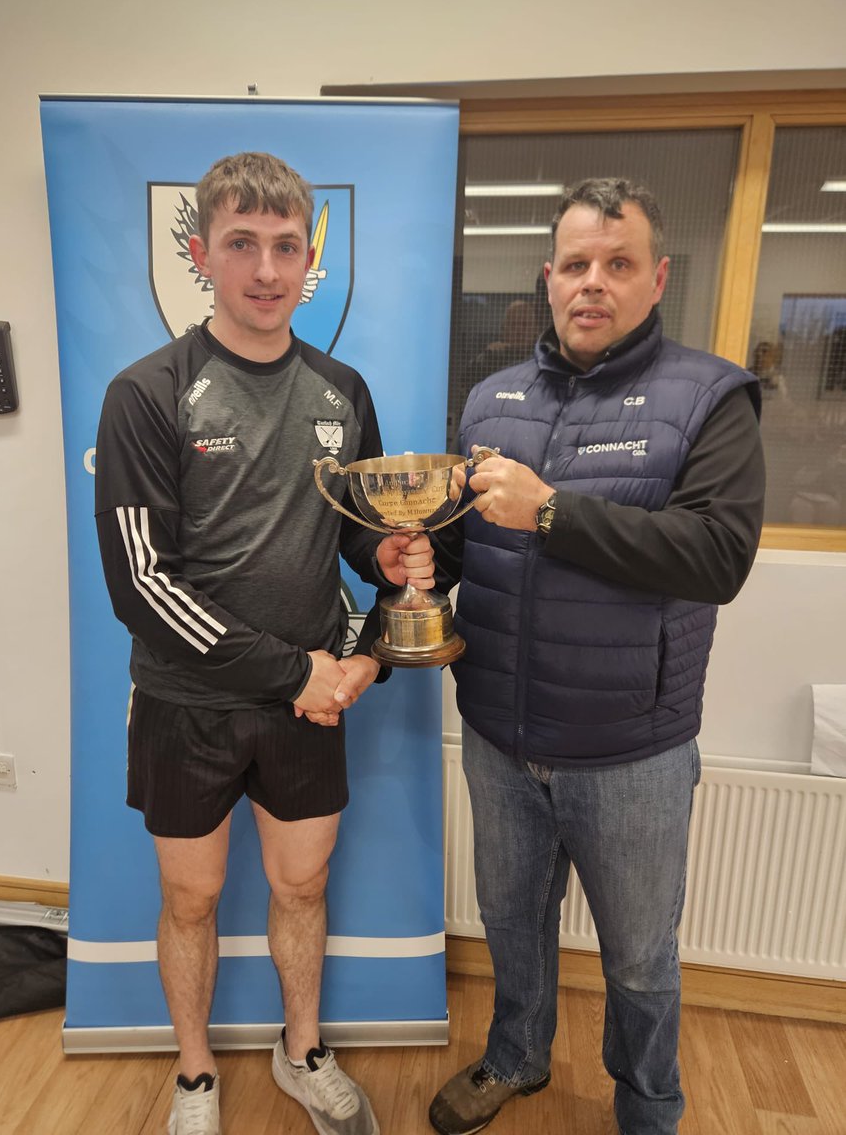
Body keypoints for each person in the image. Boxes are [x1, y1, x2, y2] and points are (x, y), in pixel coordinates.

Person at [94, 151, 433, 1135]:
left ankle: (301, 1051)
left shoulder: (341, 388)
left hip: (309, 700)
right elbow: (142, 585)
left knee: (303, 883)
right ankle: (196, 1073)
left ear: (308, 256)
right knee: (192, 898)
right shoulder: (146, 393)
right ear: (202, 252)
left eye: (287, 246)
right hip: (190, 702)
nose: (267, 268)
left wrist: (393, 555)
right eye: (243, 243)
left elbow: (354, 529)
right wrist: (301, 675)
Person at [428, 178, 765, 1135]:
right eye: (576, 264)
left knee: (640, 956)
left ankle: (650, 1105)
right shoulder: (491, 398)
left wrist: (554, 512)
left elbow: (717, 557)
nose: (594, 283)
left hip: (633, 753)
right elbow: (462, 544)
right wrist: (412, 556)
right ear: (547, 278)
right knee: (512, 926)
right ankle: (516, 1057)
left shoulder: (710, 398)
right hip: (499, 737)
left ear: (656, 279)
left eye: (618, 265)